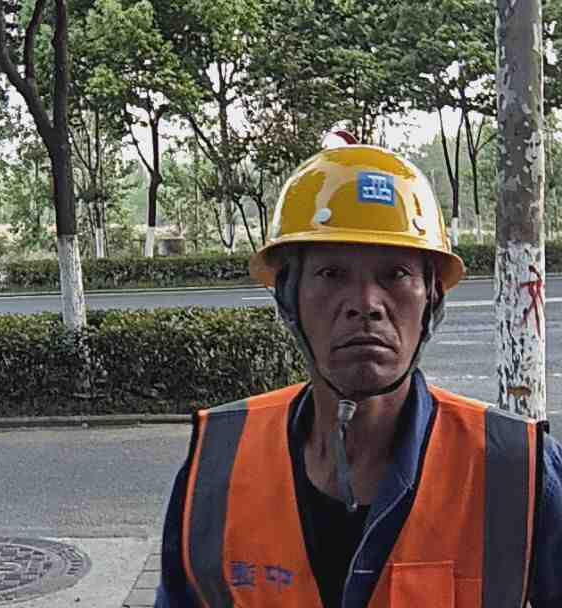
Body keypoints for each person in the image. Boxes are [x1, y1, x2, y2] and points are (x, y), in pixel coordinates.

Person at [155, 144, 562, 607]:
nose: (366, 304)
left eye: (395, 274)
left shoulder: (516, 468)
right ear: (288, 297)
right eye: (332, 273)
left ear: (431, 297)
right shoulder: (217, 463)